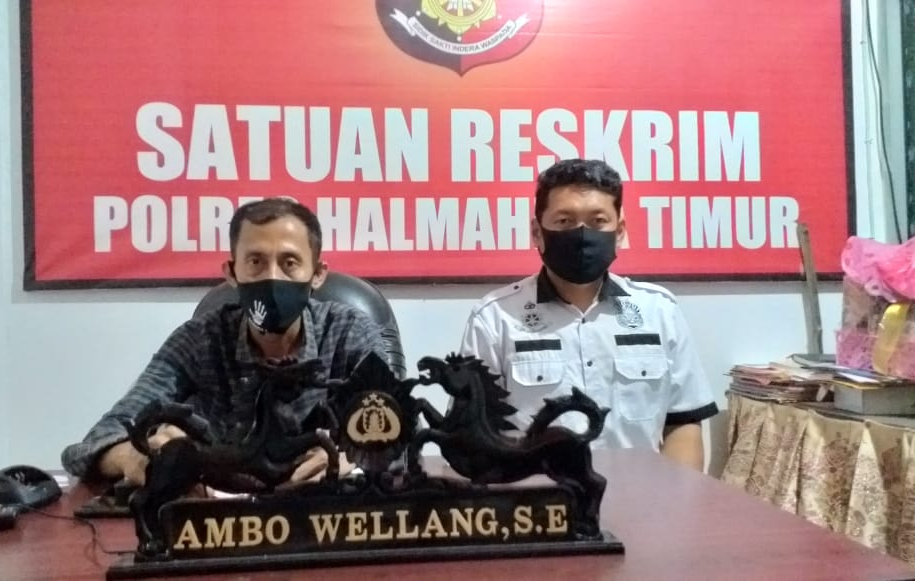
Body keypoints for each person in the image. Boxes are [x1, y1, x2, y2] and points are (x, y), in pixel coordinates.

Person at [61, 198, 387, 483]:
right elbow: (95, 443)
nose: (272, 278)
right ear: (231, 273)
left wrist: (357, 454)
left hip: (324, 516)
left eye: (289, 263)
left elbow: (401, 432)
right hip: (220, 518)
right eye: (255, 262)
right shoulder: (200, 340)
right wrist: (135, 456)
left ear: (317, 274)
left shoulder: (349, 333)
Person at [460, 159, 717, 470]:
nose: (582, 234)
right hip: (539, 496)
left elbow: (683, 423)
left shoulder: (659, 311)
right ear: (537, 232)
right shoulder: (495, 318)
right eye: (564, 220)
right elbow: (472, 435)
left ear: (619, 231)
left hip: (641, 495)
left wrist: (672, 497)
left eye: (598, 221)